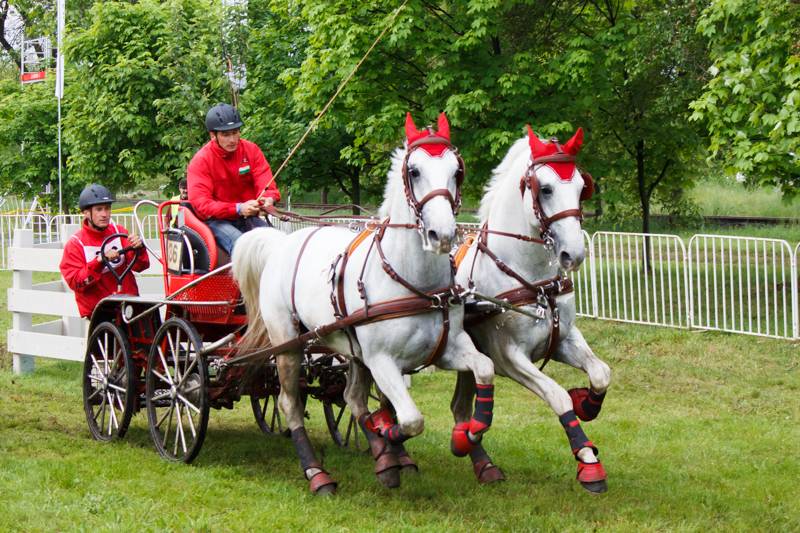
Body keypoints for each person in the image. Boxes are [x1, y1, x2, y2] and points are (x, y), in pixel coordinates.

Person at [186, 103, 281, 255]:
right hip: (216, 221)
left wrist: (268, 199)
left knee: (278, 244)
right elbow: (201, 204)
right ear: (213, 136)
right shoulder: (201, 161)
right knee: (244, 247)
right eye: (225, 135)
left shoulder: (251, 150)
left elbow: (266, 183)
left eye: (235, 132)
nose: (232, 139)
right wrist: (238, 208)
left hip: (248, 216)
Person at [59, 184, 150, 319]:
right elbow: (76, 283)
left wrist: (139, 248)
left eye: (107, 208)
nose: (105, 214)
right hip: (100, 313)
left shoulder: (119, 232)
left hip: (129, 306)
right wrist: (99, 261)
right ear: (86, 213)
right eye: (99, 209)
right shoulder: (76, 244)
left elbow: (141, 266)